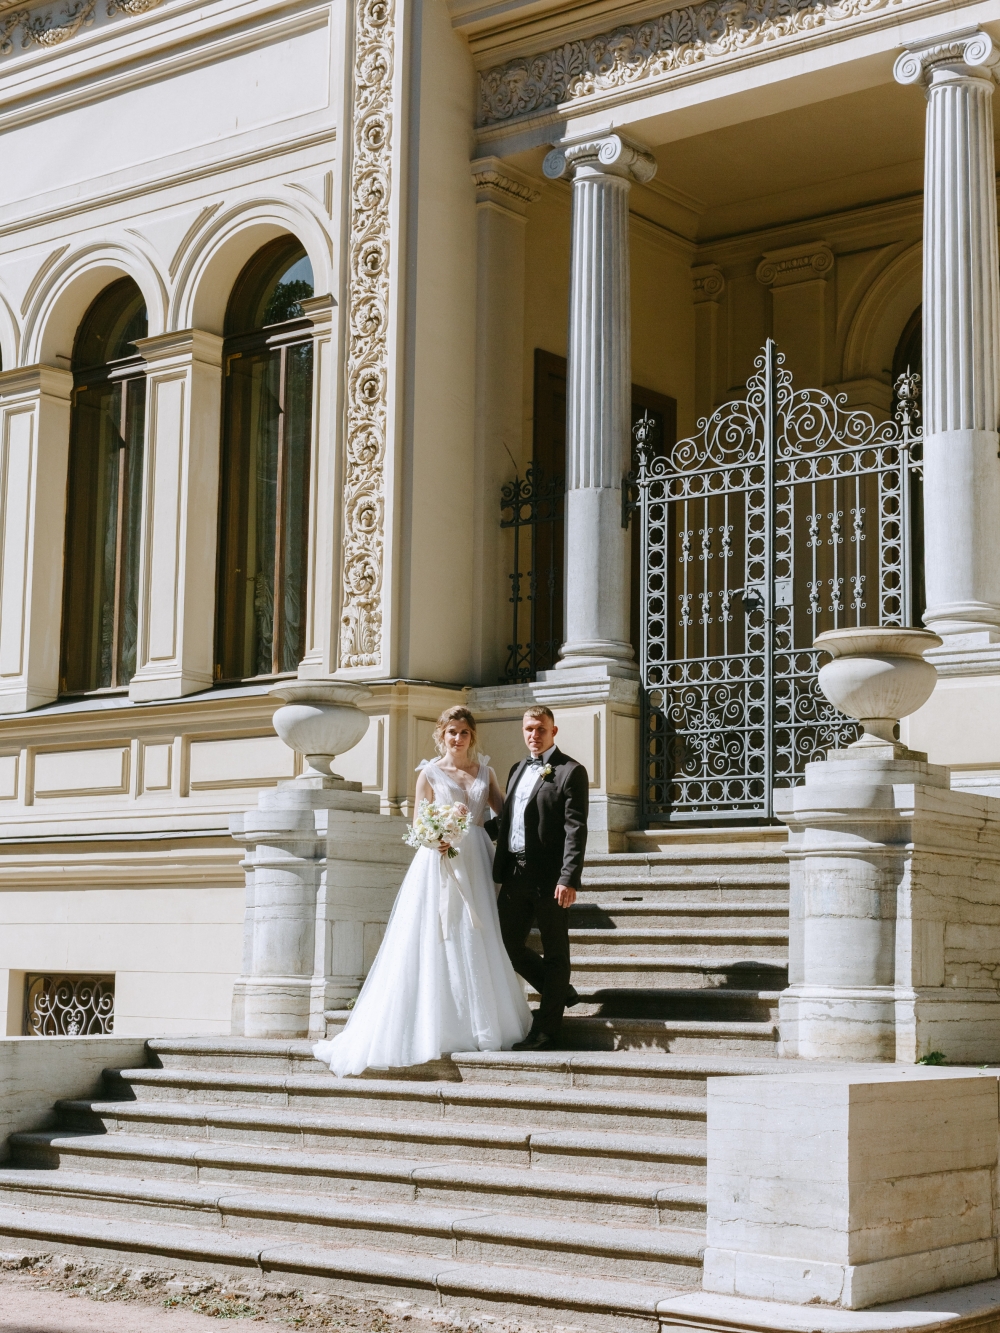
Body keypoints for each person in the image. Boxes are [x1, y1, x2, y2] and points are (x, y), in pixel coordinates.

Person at [312, 706, 532, 1077]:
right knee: (440, 935)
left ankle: (484, 1021)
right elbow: (417, 823)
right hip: (442, 861)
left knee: (479, 933)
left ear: (472, 736)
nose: (458, 739)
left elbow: (505, 813)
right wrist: (439, 838)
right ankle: (439, 1025)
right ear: (441, 735)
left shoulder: (486, 772)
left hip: (478, 859)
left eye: (464, 733)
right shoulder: (429, 773)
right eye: (452, 733)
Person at [492, 706, 588, 1052]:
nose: (534, 735)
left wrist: (569, 877)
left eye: (541, 729)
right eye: (529, 729)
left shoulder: (570, 771)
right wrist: (463, 829)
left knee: (556, 952)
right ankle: (558, 989)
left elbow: (575, 829)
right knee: (506, 944)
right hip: (515, 874)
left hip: (550, 879)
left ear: (554, 731)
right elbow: (509, 819)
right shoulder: (517, 769)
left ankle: (545, 1031)